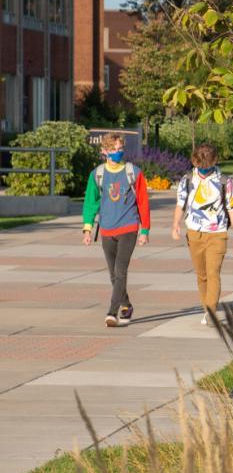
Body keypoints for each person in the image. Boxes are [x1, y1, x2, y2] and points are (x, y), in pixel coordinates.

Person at [80, 133, 150, 328]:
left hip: (128, 227)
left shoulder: (133, 172)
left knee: (121, 270)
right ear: (104, 151)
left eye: (120, 149)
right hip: (107, 229)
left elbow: (143, 202)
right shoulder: (97, 174)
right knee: (113, 274)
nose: (117, 153)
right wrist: (87, 229)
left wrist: (144, 230)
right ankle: (126, 305)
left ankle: (112, 312)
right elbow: (90, 203)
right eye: (113, 150)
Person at [170, 143, 233, 326]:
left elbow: (232, 209)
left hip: (217, 234)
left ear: (215, 161)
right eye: (200, 165)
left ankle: (211, 312)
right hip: (194, 233)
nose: (203, 169)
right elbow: (180, 204)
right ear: (194, 161)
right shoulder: (187, 179)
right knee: (201, 275)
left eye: (207, 165)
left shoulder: (224, 181)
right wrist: (175, 224)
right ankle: (207, 309)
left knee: (213, 273)